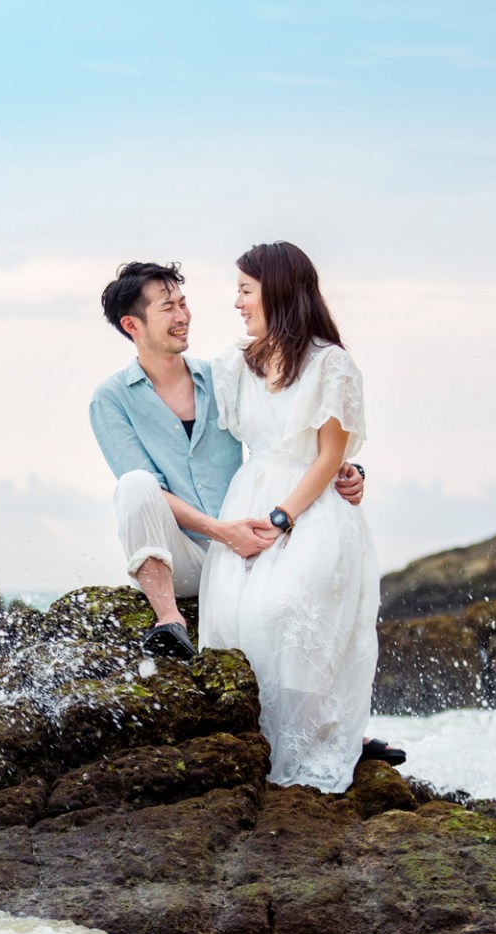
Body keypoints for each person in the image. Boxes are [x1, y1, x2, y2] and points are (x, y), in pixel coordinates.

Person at [89, 261, 363, 658]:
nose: (182, 316)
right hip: (181, 556)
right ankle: (171, 621)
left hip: (248, 545)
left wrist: (345, 469)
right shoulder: (111, 399)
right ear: (133, 326)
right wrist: (221, 531)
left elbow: (278, 429)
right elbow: (150, 495)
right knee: (134, 485)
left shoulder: (222, 375)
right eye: (168, 307)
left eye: (184, 303)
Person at [194, 241, 389, 793]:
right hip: (247, 501)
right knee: (234, 618)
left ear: (276, 292)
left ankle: (313, 750)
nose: (236, 303)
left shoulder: (332, 364)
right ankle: (262, 749)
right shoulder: (234, 365)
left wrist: (282, 519)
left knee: (283, 608)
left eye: (245, 290)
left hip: (312, 508)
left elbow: (331, 456)